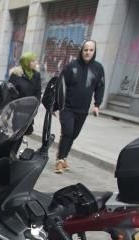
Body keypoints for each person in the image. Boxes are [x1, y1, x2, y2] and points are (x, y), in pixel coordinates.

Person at [54, 40, 103, 174]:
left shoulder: (98, 68)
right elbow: (61, 86)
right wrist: (56, 105)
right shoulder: (71, 67)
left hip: (83, 109)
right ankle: (59, 160)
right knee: (68, 132)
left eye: (91, 50)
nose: (88, 52)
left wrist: (97, 105)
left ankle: (64, 158)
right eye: (85, 50)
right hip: (68, 107)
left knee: (73, 135)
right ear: (81, 51)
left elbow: (100, 87)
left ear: (94, 51)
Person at [9, 52, 41, 135]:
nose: (36, 63)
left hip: (30, 112)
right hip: (19, 112)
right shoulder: (16, 75)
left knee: (25, 132)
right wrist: (9, 110)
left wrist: (36, 107)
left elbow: (38, 92)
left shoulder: (36, 75)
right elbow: (9, 93)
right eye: (33, 61)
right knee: (17, 135)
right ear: (26, 62)